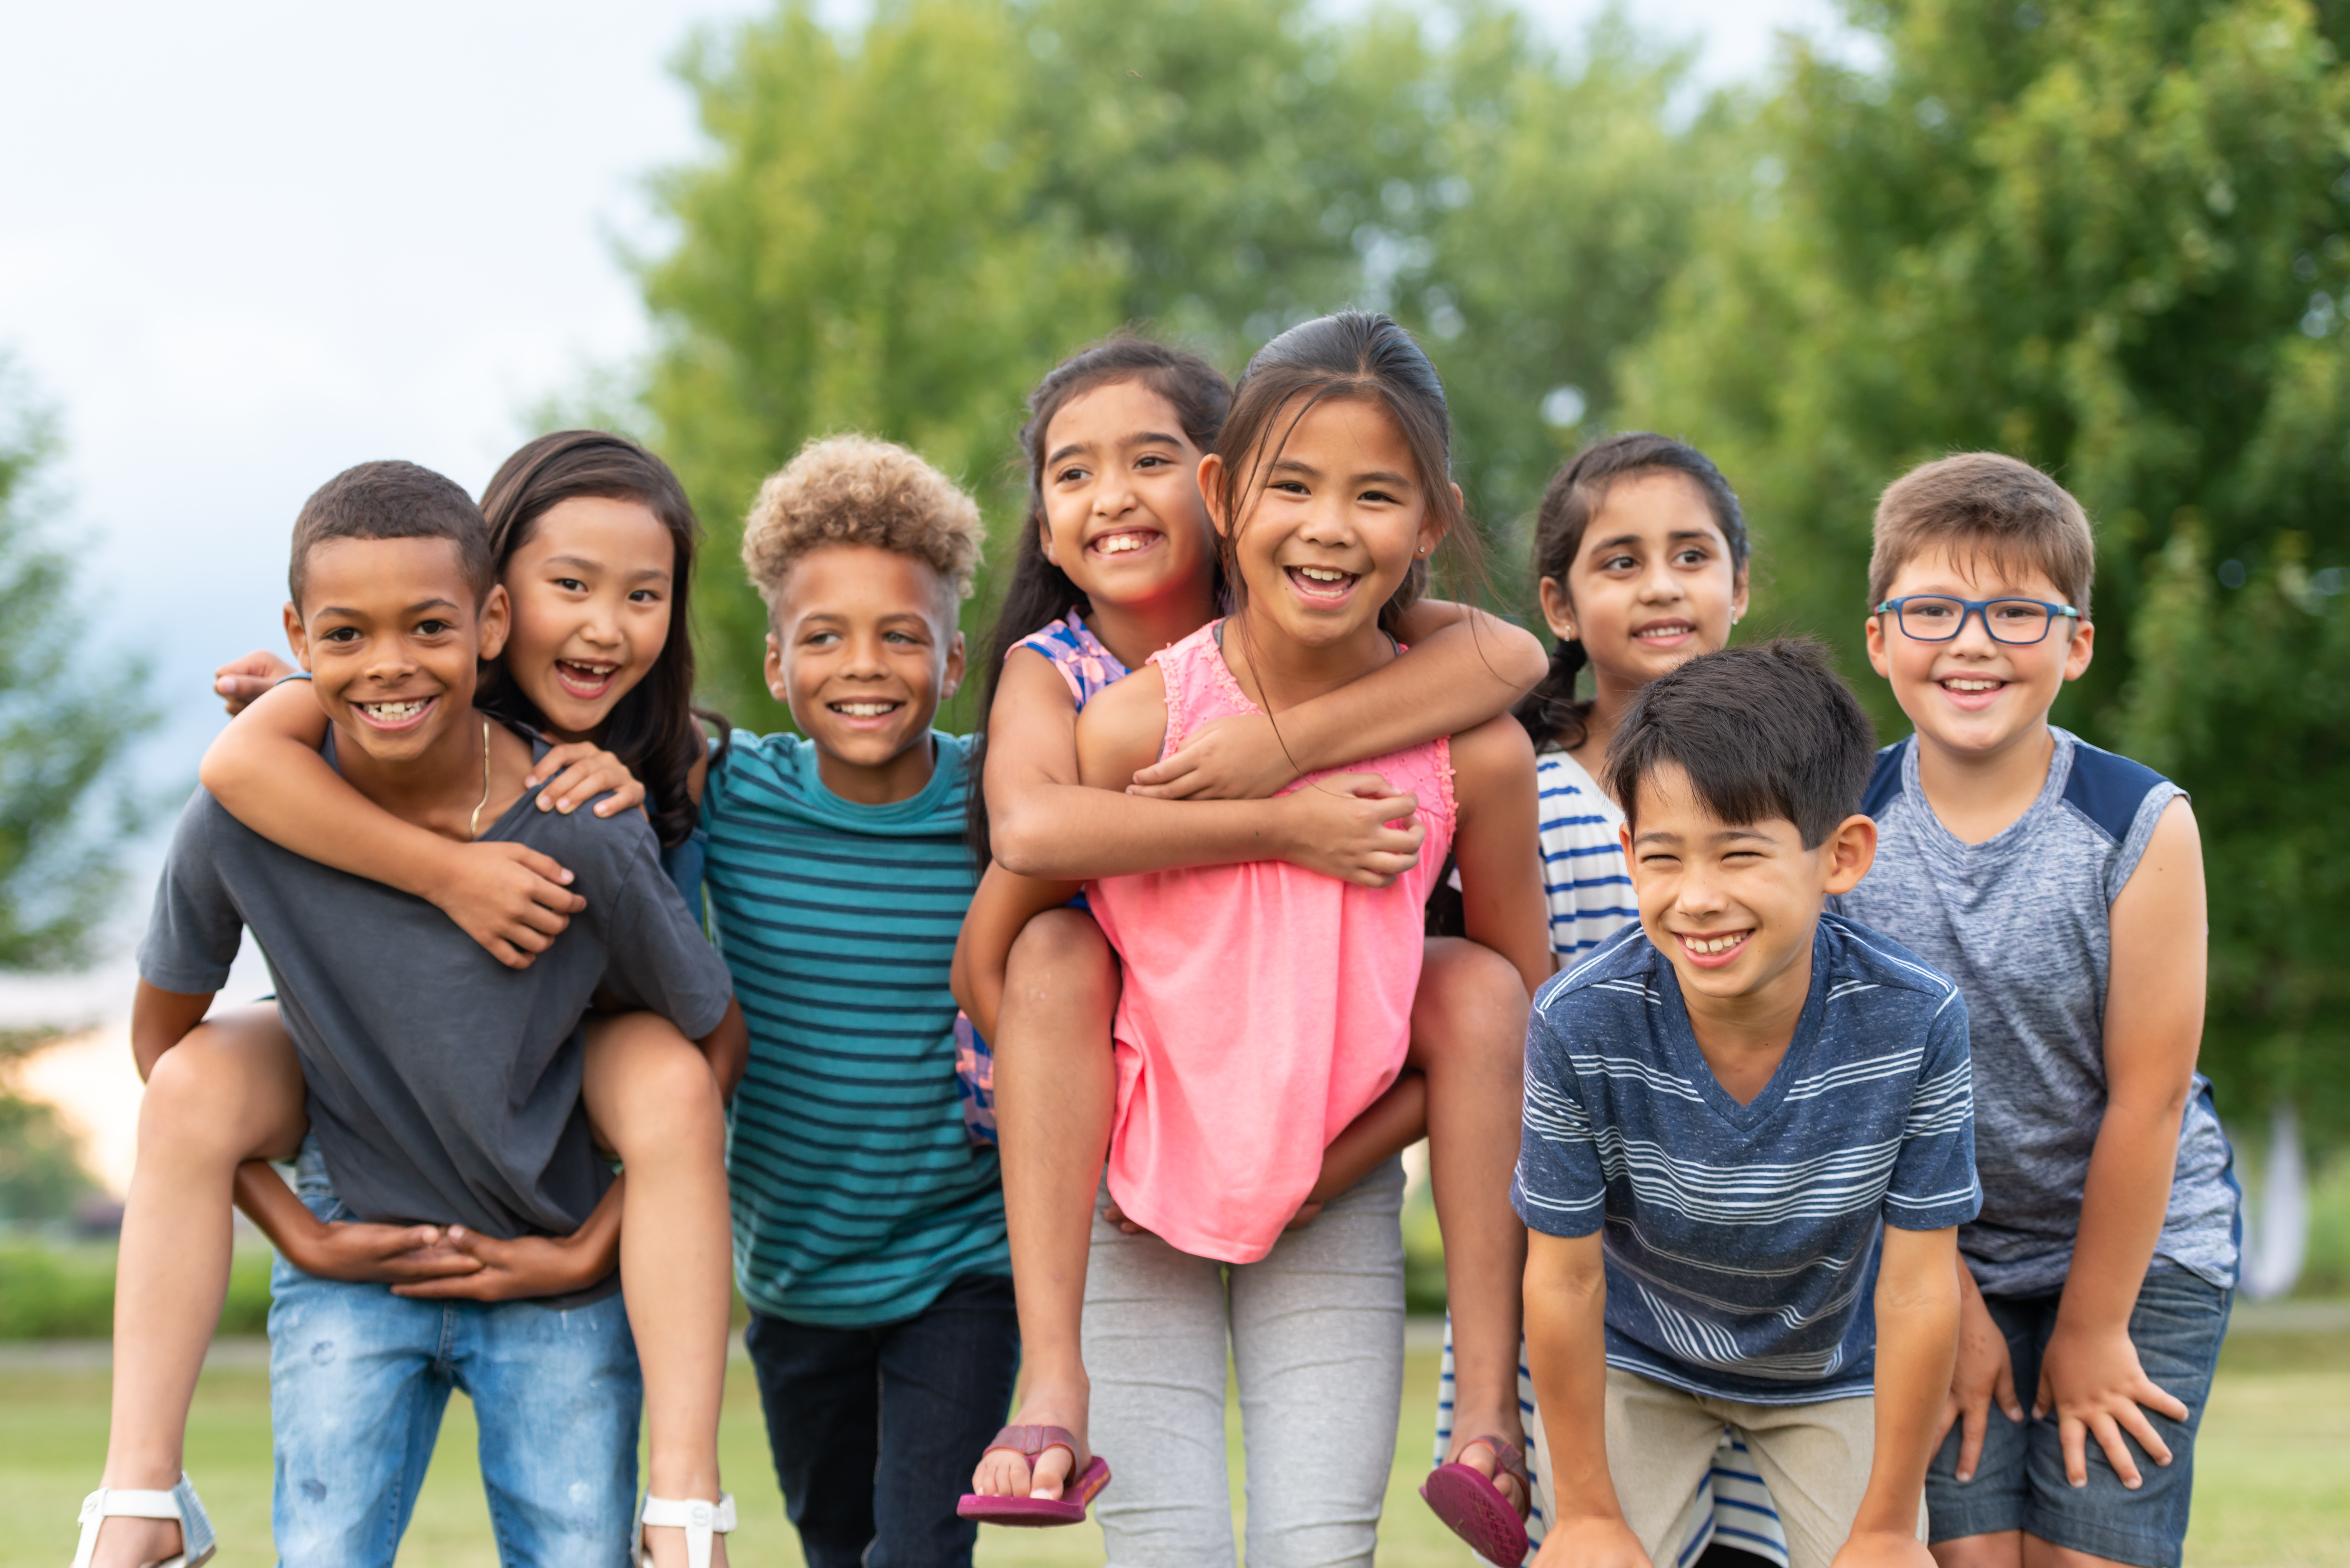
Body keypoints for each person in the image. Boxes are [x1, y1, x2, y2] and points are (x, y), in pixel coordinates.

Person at [76, 460, 743, 1568]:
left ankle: (684, 1512)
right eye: (570, 586)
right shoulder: (271, 769)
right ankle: (137, 1497)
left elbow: (712, 1044)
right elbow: (240, 773)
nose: (604, 627)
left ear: (479, 622)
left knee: (670, 1077)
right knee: (193, 1082)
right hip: (358, 1134)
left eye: (644, 594)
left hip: (555, 1139)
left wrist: (583, 1253)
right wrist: (452, 875)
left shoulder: (602, 797)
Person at [951, 336, 1549, 1557]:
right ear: (1232, 501)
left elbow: (1519, 995)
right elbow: (1004, 934)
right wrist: (1268, 822)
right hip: (1132, 1183)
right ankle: (1051, 1388)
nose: (1330, 526)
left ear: (1430, 521)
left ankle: (1489, 1416)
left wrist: (1342, 1158)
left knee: (1321, 1549)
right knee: (1167, 1548)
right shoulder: (1130, 726)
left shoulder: (1471, 746)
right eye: (1295, 487)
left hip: (1336, 1166)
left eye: (1376, 494)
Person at [1835, 454, 2237, 1568]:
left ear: (2077, 644)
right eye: (1934, 610)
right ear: (1880, 637)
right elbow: (1847, 1093)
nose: (1972, 643)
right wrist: (1945, 1294)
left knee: (2085, 1555)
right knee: (1969, 1554)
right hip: (1929, 1240)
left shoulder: (2141, 829)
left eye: (2016, 612)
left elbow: (2150, 1101)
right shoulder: (1840, 831)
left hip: (2137, 1248)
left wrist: (2095, 1326)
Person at [1519, 639, 1980, 1568]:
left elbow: (1920, 1285)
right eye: (1664, 857)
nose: (1698, 899)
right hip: (1637, 1361)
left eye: (1740, 855)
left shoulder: (1916, 1020)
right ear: (1628, 855)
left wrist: (1888, 1527)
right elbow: (1564, 1280)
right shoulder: (1578, 1023)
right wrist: (1587, 1514)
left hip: (1827, 1373)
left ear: (1841, 856)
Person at [1443, 431, 1787, 1567]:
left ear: (1742, 583)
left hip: (1763, 1244)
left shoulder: (1796, 783)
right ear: (1559, 600)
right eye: (1621, 561)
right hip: (1578, 1240)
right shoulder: (1520, 786)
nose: (1660, 587)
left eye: (1692, 556)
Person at [703, 435, 1014, 1568]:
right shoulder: (727, 792)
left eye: (902, 636)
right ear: (778, 665)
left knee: (921, 1556)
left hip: (964, 1264)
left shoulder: (1002, 795)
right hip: (793, 1272)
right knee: (837, 1548)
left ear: (956, 660)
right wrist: (305, 699)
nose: (864, 665)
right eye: (824, 638)